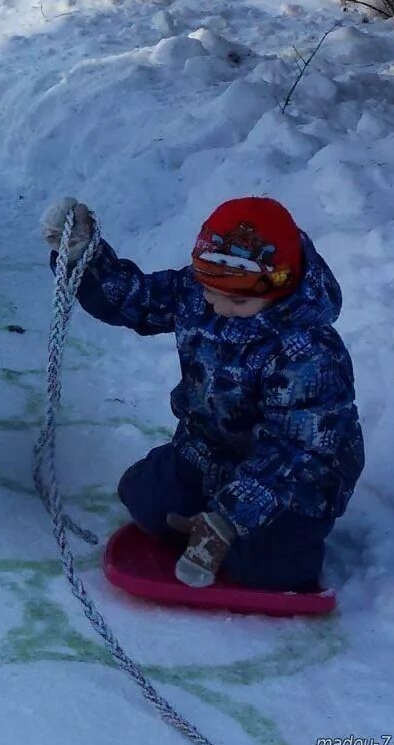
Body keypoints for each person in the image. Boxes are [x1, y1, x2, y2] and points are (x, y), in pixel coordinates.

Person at [42, 196, 364, 591]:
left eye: (239, 300)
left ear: (280, 286)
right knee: (147, 500)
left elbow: (300, 452)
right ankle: (208, 518)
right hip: (211, 454)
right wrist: (81, 254)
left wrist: (229, 518)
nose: (220, 307)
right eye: (211, 292)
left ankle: (268, 540)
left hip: (296, 481)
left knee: (263, 569)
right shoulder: (201, 292)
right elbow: (135, 300)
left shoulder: (308, 353)